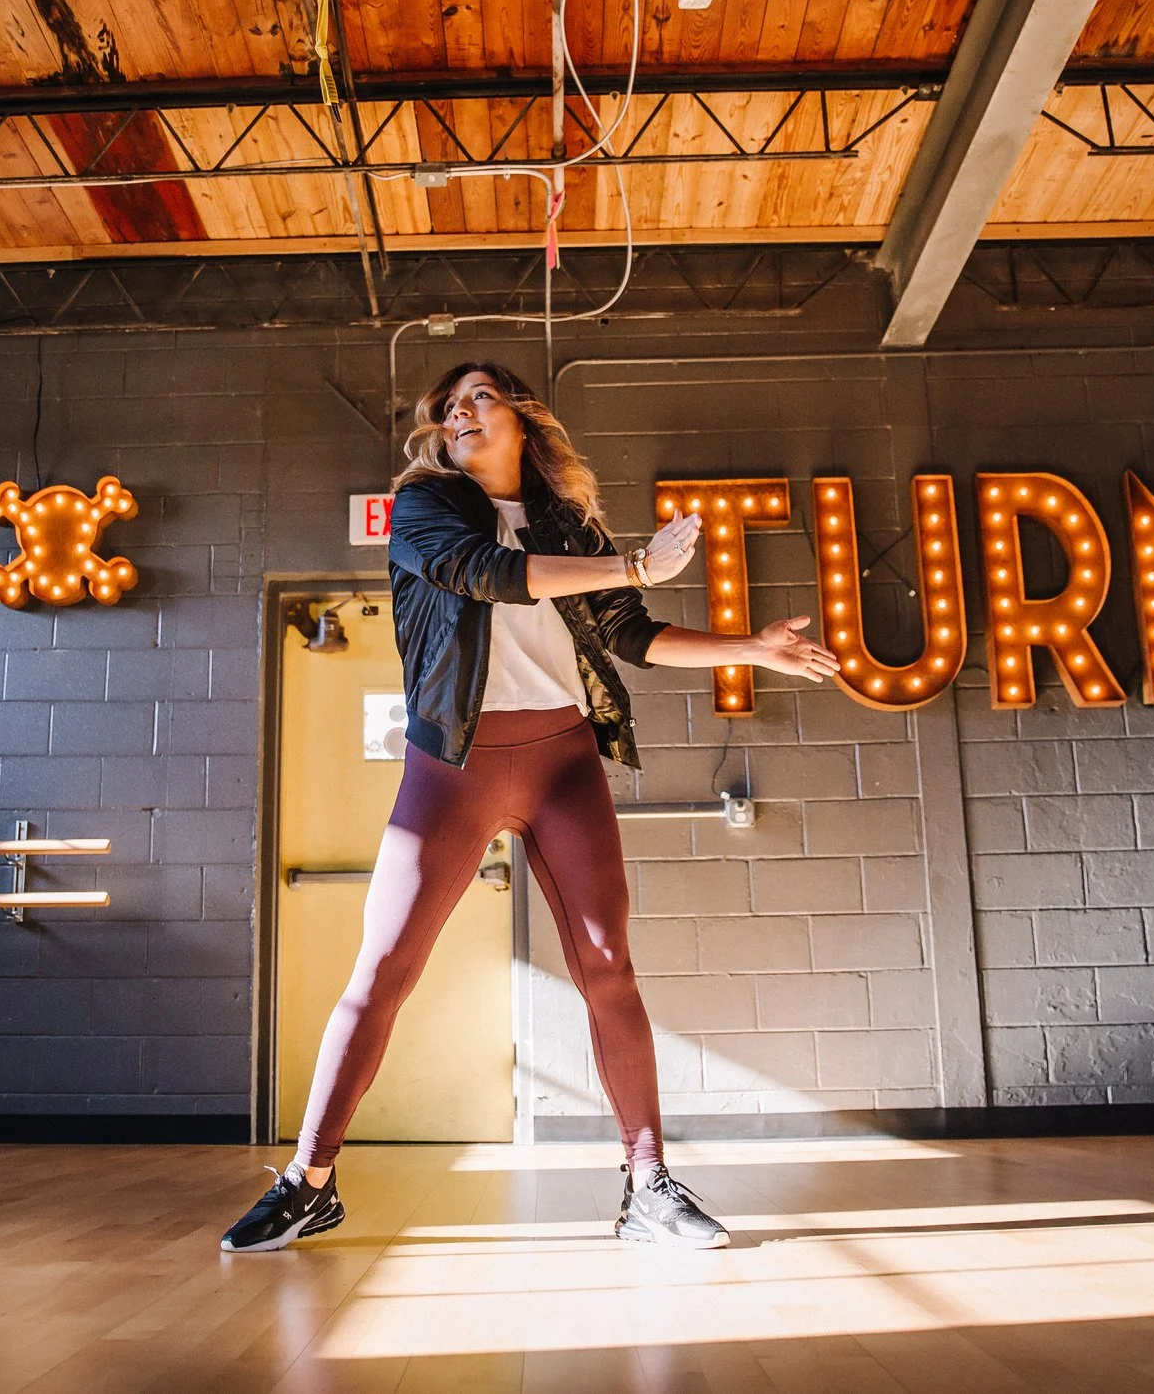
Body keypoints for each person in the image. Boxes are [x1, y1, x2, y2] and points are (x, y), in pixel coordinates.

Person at [221, 361, 840, 1253]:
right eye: (449, 407)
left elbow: (631, 633)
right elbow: (483, 574)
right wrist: (629, 560)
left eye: (479, 396)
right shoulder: (426, 508)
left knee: (607, 965)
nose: (461, 413)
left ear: (519, 415)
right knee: (383, 967)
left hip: (562, 759)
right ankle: (308, 1179)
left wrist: (754, 648)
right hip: (454, 762)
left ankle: (649, 1182)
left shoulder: (567, 522)